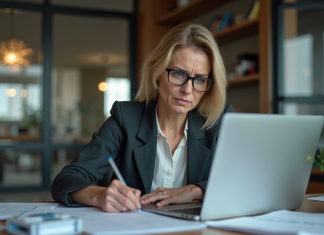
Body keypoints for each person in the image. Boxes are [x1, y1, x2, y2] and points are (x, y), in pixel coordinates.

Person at [51, 22, 234, 213]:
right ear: (158, 73)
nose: (187, 90)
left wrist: (196, 190)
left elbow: (244, 181)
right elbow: (67, 179)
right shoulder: (126, 119)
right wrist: (99, 195)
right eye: (179, 74)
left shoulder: (221, 123)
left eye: (200, 80)